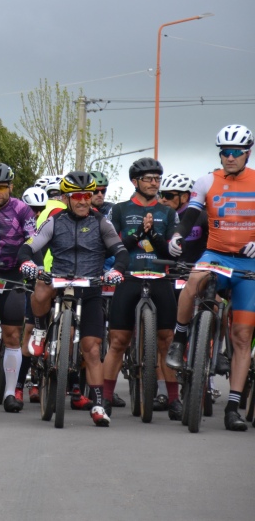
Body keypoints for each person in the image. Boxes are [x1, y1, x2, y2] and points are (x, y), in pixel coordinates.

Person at [18, 170, 128, 427]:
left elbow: (121, 251)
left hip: (90, 288)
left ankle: (98, 404)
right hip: (59, 282)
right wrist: (27, 263)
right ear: (66, 198)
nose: (83, 201)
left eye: (87, 196)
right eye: (77, 196)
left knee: (92, 349)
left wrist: (117, 270)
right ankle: (40, 330)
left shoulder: (101, 222)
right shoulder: (54, 221)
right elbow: (29, 247)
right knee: (40, 286)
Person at [165, 124, 255, 431]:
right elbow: (190, 215)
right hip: (216, 255)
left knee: (242, 336)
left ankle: (232, 408)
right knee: (193, 281)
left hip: (248, 263)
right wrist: (177, 235)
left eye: (235, 153)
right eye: (225, 152)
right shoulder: (206, 181)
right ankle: (180, 338)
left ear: (247, 153)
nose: (229, 157)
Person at [103, 158, 178, 415]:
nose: (154, 183)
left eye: (157, 178)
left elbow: (171, 251)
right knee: (118, 341)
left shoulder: (168, 212)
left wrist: (153, 234)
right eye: (148, 179)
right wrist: (138, 234)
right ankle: (105, 398)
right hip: (129, 277)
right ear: (135, 181)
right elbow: (112, 247)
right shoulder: (120, 210)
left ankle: (174, 399)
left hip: (159, 278)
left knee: (166, 340)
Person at [0, 162, 38, 413]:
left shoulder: (22, 209)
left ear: (11, 187)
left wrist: (29, 264)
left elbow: (33, 239)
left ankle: (10, 393)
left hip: (12, 272)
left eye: (2, 187)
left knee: (12, 334)